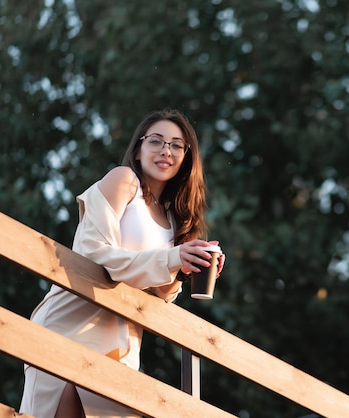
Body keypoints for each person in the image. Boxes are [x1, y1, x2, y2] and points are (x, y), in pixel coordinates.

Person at [19, 108, 225, 418]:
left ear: (187, 157)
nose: (165, 151)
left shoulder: (175, 219)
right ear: (139, 148)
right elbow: (93, 251)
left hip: (122, 336)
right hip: (73, 319)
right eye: (156, 141)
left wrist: (183, 269)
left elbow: (157, 293)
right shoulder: (124, 180)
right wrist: (172, 258)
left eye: (176, 145)